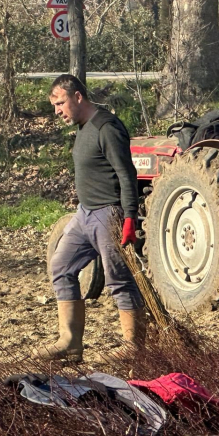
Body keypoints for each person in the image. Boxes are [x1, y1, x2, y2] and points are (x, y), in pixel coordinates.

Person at [34, 74, 145, 363]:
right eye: (54, 105)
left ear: (78, 97)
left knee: (119, 278)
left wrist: (130, 217)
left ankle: (134, 346)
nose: (57, 111)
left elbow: (127, 174)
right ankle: (70, 343)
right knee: (61, 265)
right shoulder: (84, 128)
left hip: (109, 214)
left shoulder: (106, 127)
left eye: (60, 103)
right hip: (85, 214)